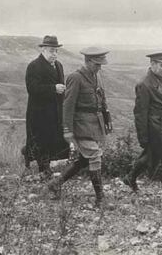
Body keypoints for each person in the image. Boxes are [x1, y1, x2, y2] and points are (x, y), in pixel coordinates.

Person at [46, 47, 112, 207]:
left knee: (84, 159)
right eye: (97, 64)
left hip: (95, 124)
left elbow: (101, 98)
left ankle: (56, 183)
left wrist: (107, 118)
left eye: (101, 64)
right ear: (88, 61)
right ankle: (100, 198)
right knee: (95, 155)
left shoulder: (96, 76)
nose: (99, 67)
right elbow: (67, 106)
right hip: (81, 125)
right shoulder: (75, 78)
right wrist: (67, 130)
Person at [123, 52, 162, 199]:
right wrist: (142, 136)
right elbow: (140, 113)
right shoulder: (144, 84)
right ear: (152, 64)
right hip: (155, 126)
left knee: (152, 154)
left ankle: (130, 177)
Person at [25, 35, 68, 179]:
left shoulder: (59, 65)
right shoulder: (34, 66)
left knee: (52, 138)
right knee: (41, 139)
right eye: (51, 51)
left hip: (55, 110)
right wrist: (53, 88)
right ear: (43, 50)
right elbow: (32, 88)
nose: (54, 54)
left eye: (56, 51)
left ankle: (47, 167)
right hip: (39, 112)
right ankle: (43, 169)